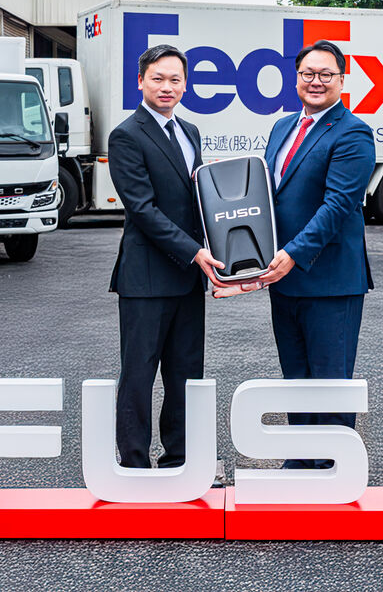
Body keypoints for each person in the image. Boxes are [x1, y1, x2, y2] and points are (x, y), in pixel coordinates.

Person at [258, 39, 376, 468]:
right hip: (284, 278)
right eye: (308, 73)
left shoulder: (353, 132)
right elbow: (270, 197)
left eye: (326, 74)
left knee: (329, 383)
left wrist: (292, 253)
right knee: (296, 377)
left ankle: (333, 467)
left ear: (342, 80)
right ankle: (300, 459)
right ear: (296, 78)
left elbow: (338, 205)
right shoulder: (282, 127)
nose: (316, 81)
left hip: (329, 281)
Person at [107, 44, 224, 468]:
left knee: (186, 375)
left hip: (189, 278)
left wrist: (225, 250)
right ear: (140, 81)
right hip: (147, 279)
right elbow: (142, 209)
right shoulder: (126, 135)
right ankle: (134, 463)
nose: (166, 87)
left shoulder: (190, 131)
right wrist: (195, 252)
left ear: (186, 84)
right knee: (138, 376)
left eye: (175, 79)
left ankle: (180, 459)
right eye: (157, 78)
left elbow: (198, 200)